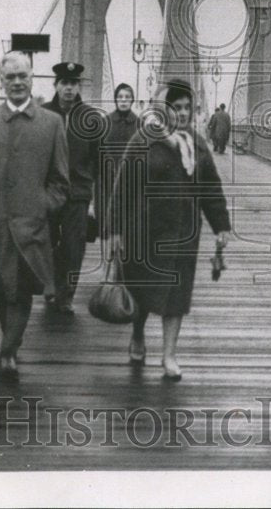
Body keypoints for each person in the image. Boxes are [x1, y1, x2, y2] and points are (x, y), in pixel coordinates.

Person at [105, 79, 232, 381]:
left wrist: (221, 226)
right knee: (141, 290)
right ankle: (137, 335)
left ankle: (169, 355)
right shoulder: (143, 140)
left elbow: (211, 189)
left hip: (183, 232)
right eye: (177, 107)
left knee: (177, 294)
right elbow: (123, 187)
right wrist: (115, 231)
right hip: (144, 232)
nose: (184, 113)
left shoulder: (198, 144)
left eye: (188, 107)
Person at [0, 52, 69, 381]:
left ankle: (8, 350)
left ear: (33, 78)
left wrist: (41, 206)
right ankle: (11, 345)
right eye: (10, 77)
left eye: (23, 76)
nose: (17, 82)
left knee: (21, 289)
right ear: (1, 81)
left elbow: (61, 182)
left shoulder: (52, 124)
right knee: (2, 289)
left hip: (31, 225)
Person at [43, 61, 105, 316]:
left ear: (79, 86)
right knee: (46, 242)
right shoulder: (43, 115)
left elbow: (99, 161)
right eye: (64, 84)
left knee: (73, 245)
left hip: (78, 193)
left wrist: (96, 201)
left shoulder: (91, 118)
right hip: (47, 192)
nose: (69, 89)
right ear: (56, 86)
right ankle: (51, 287)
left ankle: (65, 295)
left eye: (73, 84)